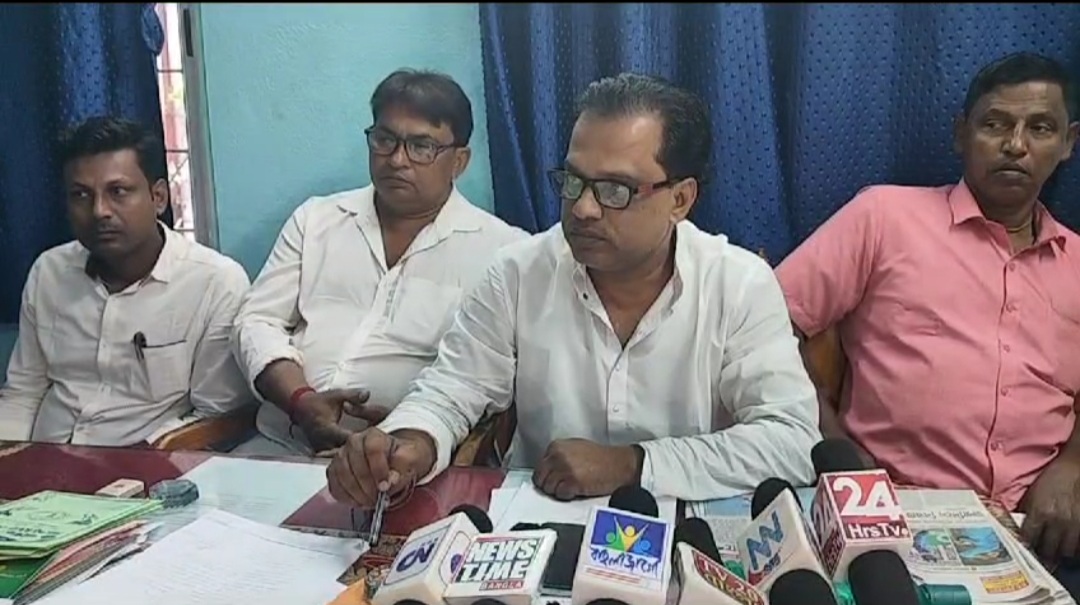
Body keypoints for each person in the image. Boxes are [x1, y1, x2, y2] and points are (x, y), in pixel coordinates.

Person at [325, 72, 822, 508]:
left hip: (684, 533)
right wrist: (412, 441)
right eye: (573, 181)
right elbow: (452, 391)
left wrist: (634, 465)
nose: (582, 208)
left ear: (680, 199)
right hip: (536, 525)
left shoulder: (738, 284)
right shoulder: (517, 273)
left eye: (615, 190)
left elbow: (793, 441)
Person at [775, 52, 1080, 574]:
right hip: (894, 519)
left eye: (1040, 128)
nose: (1015, 145)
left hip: (1044, 531)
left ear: (1069, 143)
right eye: (995, 124)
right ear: (961, 134)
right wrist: (832, 441)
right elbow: (764, 328)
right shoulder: (884, 218)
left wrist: (1073, 465)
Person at [230, 69, 528, 457]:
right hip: (279, 442)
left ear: (459, 161)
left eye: (422, 146)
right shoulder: (317, 220)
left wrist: (415, 428)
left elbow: (489, 380)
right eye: (385, 140)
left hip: (402, 461)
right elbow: (256, 321)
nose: (397, 160)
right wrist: (301, 401)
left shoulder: (502, 253)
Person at [0, 116, 253, 446]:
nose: (99, 211)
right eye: (81, 195)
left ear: (158, 197)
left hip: (144, 465)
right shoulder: (49, 271)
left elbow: (214, 416)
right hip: (43, 459)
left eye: (118, 191)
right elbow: (23, 392)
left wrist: (136, 463)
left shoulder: (215, 283)